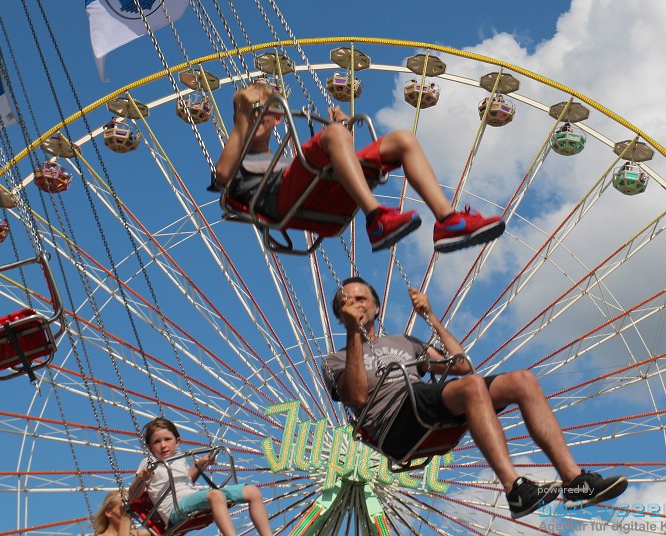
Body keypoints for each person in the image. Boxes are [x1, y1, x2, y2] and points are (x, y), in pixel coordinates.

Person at [321, 277, 627, 519]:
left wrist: (429, 316)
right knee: (472, 387)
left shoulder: (404, 341)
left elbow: (462, 365)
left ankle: (575, 482)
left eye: (362, 299)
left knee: (522, 381)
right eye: (347, 301)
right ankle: (515, 489)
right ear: (340, 313)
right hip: (393, 424)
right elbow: (358, 396)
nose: (356, 304)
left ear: (376, 308)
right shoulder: (335, 360)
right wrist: (352, 333)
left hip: (425, 405)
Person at [215, 82, 505, 253]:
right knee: (331, 137)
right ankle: (376, 218)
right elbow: (224, 176)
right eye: (253, 112)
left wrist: (340, 130)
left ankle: (448, 221)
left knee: (402, 139)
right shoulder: (236, 159)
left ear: (279, 119)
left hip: (312, 191)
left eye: (266, 112)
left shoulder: (287, 160)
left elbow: (341, 162)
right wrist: (242, 118)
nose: (259, 117)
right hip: (277, 199)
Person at [130, 417, 272, 536]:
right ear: (149, 447)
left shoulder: (180, 458)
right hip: (175, 510)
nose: (163, 445)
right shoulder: (149, 463)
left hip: (190, 500)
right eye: (157, 442)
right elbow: (132, 496)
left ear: (177, 441)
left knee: (252, 491)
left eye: (167, 439)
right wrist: (142, 478)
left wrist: (200, 465)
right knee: (215, 495)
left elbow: (186, 481)